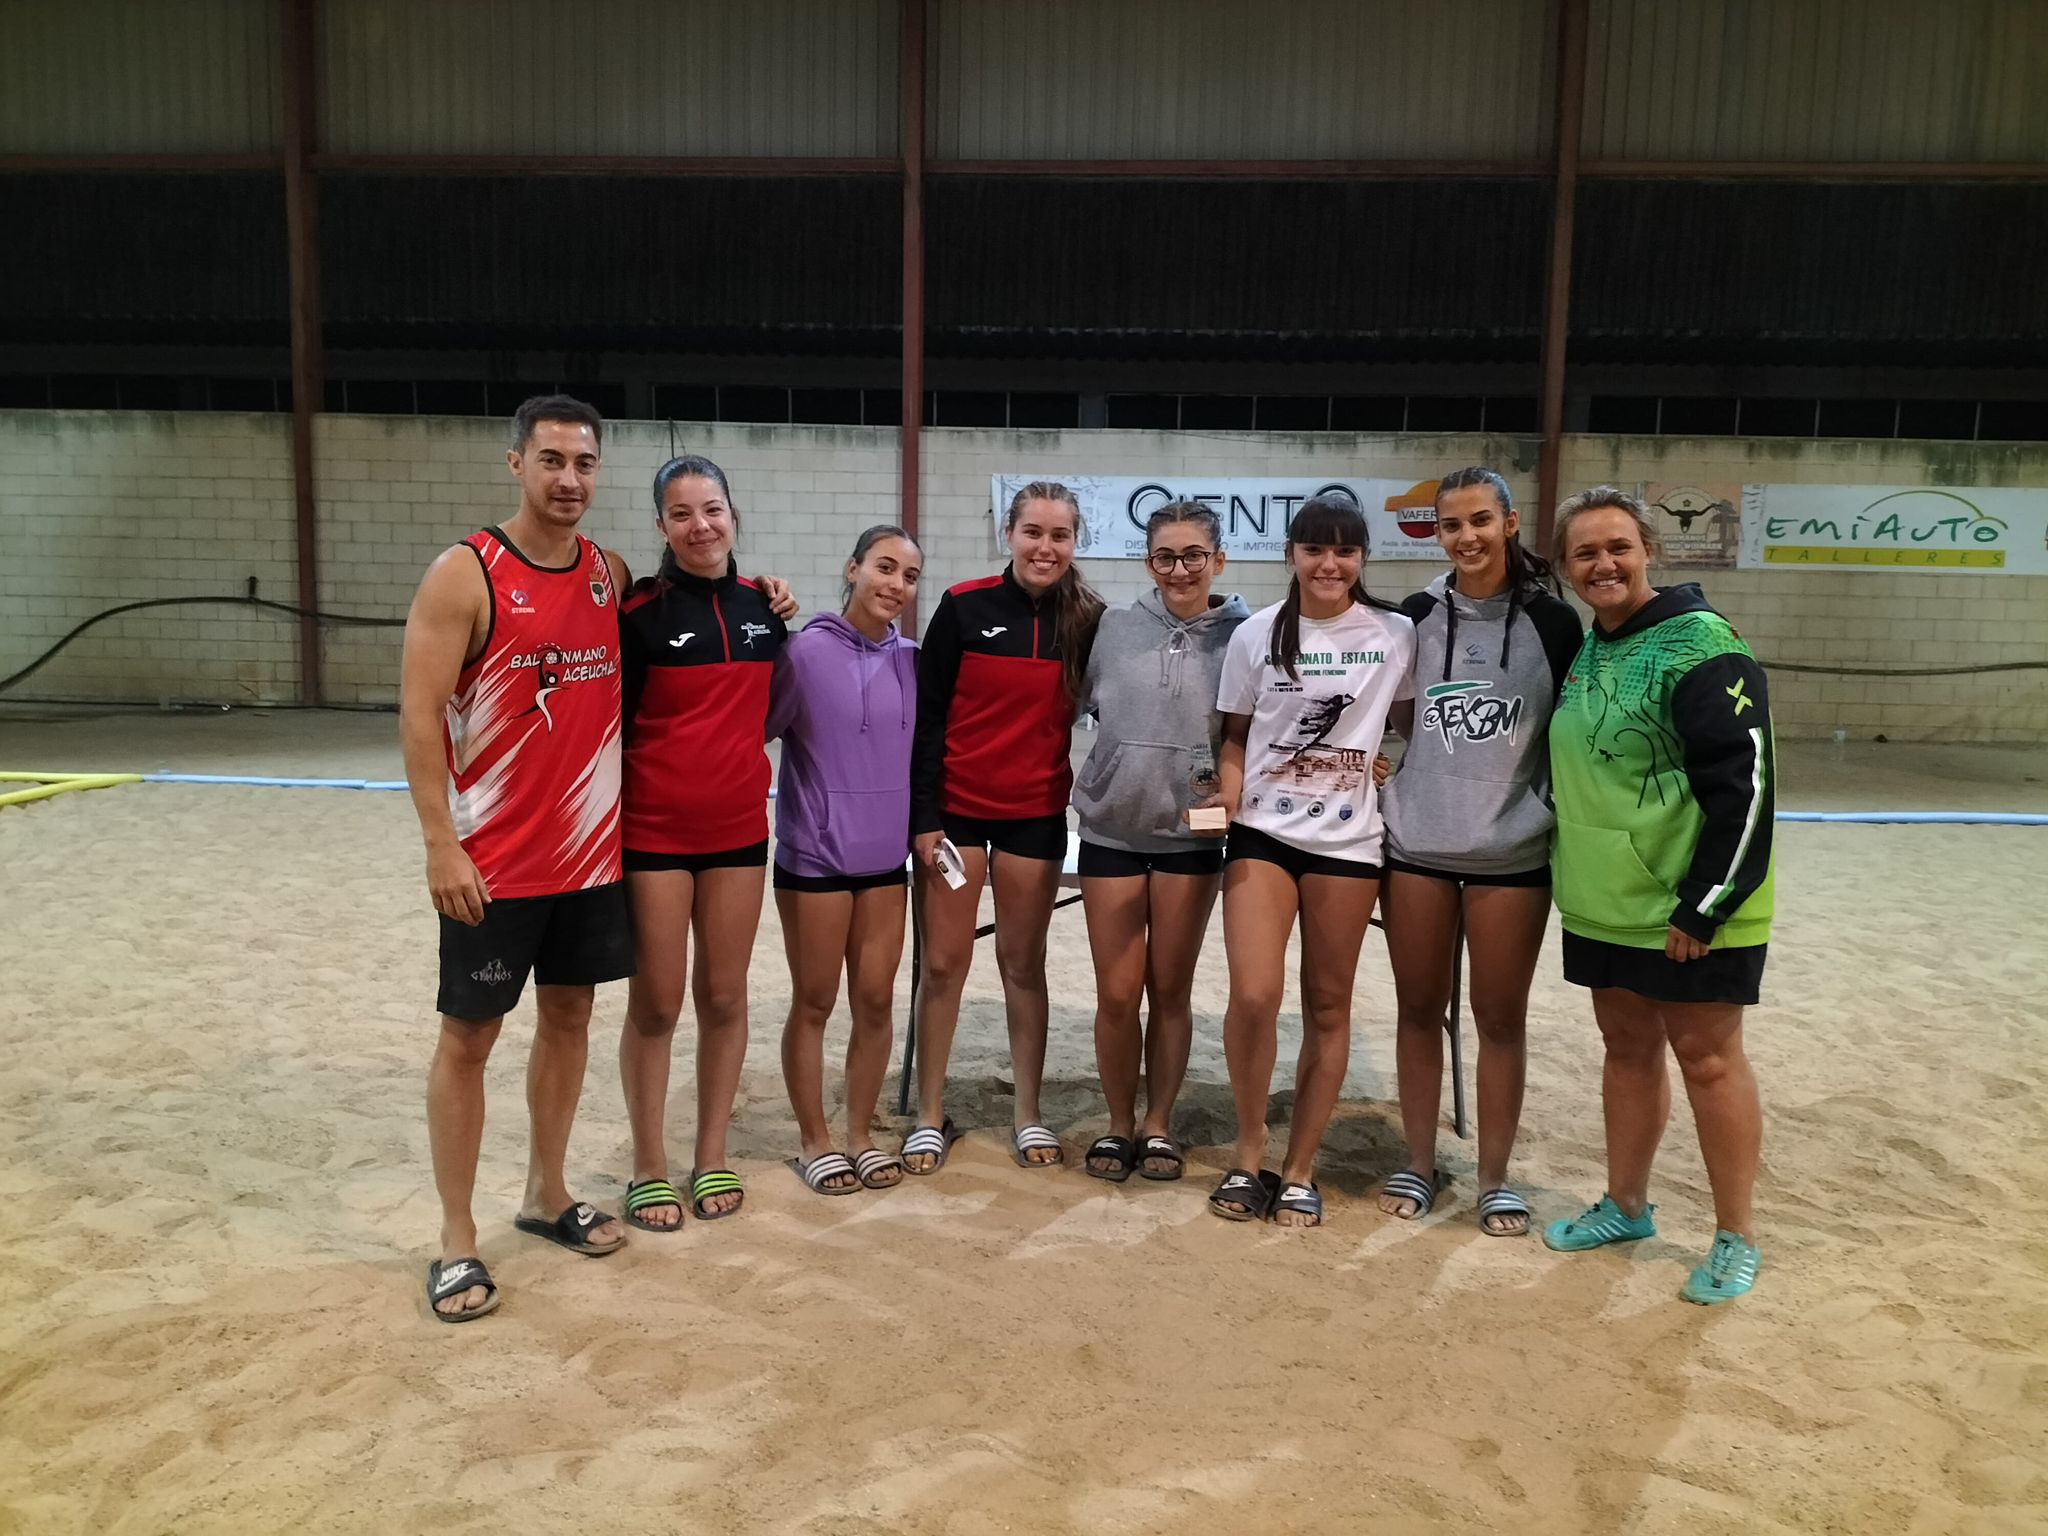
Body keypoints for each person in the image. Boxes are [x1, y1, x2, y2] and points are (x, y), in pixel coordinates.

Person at [400, 394, 633, 1322]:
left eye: (584, 463)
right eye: (551, 460)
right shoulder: (466, 574)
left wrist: (769, 589)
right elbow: (419, 716)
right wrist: (440, 843)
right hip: (492, 864)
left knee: (569, 1019)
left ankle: (546, 1192)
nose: (569, 479)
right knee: (469, 1040)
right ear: (516, 464)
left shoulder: (609, 573)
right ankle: (457, 1239)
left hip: (590, 859)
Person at [1541, 486, 1773, 1305]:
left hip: (1689, 905)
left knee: (1708, 1060)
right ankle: (1627, 1206)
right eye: (1585, 553)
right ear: (1564, 567)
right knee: (1626, 1049)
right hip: (1604, 899)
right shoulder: (1591, 648)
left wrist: (1705, 903)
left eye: (1618, 547)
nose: (1603, 564)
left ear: (1649, 550)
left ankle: (1737, 1234)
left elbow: (1746, 785)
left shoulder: (1702, 643)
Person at [1375, 468, 1582, 1235]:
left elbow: (1571, 729)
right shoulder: (1416, 616)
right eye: (1451, 524)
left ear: (1510, 523)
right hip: (1418, 846)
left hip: (1511, 854)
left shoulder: (1555, 624)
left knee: (1499, 1019)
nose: (1466, 536)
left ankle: (1495, 1177)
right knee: (1418, 1010)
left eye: (1480, 521)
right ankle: (1419, 1161)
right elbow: (1397, 717)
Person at [1208, 492, 1416, 1227]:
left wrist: (1383, 764)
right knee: (1254, 995)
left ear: (1362, 558)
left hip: (1348, 845)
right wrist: (1226, 794)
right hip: (1263, 835)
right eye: (1315, 549)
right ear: (1291, 554)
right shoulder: (1256, 633)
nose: (1330, 564)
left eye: (1345, 551)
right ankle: (1249, 1152)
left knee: (1328, 1004)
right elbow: (1233, 736)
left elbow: (1411, 725)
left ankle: (1299, 1167)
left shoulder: (1395, 633)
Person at [905, 481, 1104, 1174]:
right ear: (1009, 535)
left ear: (1075, 541)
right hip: (956, 816)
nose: (1045, 547)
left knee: (1022, 965)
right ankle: (929, 1113)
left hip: (1035, 817)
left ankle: (1027, 1112)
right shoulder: (963, 606)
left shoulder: (1089, 620)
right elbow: (927, 717)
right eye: (1033, 532)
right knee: (942, 965)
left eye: (1060, 535)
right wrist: (923, 816)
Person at [615, 455, 792, 1228]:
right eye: (682, 514)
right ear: (661, 525)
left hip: (738, 835)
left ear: (733, 515)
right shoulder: (637, 616)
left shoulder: (764, 609)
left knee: (723, 996)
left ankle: (710, 1154)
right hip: (653, 834)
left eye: (712, 509)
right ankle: (648, 1165)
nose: (700, 526)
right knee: (656, 1003)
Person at [1071, 502, 1249, 1182]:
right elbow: (1077, 704)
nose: (1179, 570)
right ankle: (1119, 1123)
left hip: (1191, 839)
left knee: (1170, 991)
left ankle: (1158, 1124)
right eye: (1165, 557)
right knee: (1118, 994)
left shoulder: (1245, 636)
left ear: (1218, 560)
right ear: (1149, 562)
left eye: (1193, 555)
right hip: (1111, 832)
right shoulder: (1112, 627)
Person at [765, 525, 923, 1195]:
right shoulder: (802, 653)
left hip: (885, 863)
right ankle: (815, 1141)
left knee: (876, 1002)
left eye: (909, 576)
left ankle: (859, 1134)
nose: (896, 584)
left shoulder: (913, 660)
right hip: (816, 860)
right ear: (853, 568)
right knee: (815, 1001)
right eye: (885, 567)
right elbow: (756, 727)